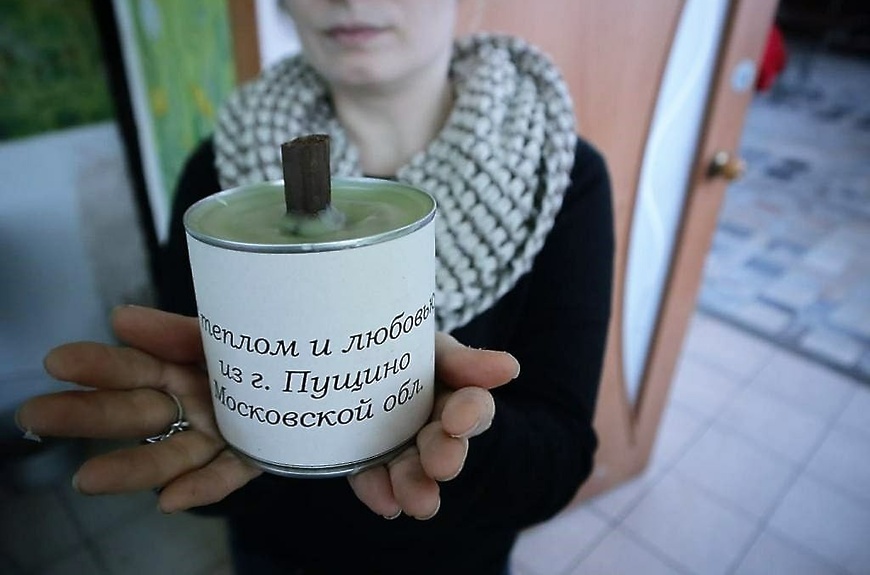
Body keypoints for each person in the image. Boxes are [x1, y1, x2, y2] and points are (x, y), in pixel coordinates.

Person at [16, 1, 614, 573]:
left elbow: (559, 462)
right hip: (277, 558)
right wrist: (219, 436)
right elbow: (198, 437)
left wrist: (454, 433)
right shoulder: (218, 182)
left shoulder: (556, 177)